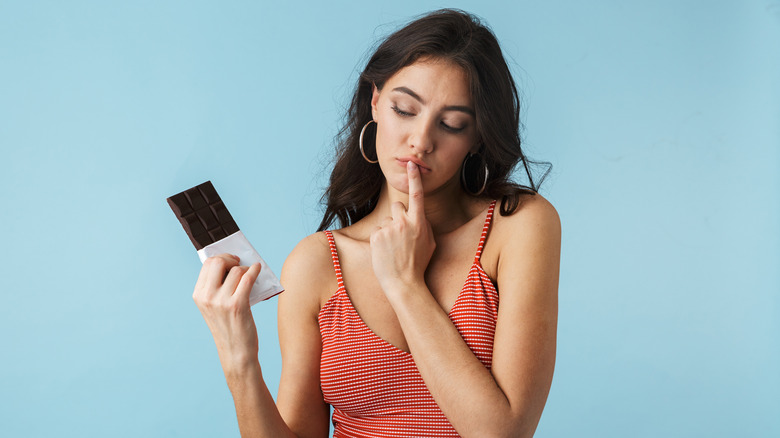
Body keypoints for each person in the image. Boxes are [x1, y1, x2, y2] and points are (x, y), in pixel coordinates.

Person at [192, 9, 561, 438]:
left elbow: (505, 433)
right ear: (375, 102)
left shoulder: (517, 226)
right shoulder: (317, 264)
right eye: (404, 109)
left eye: (451, 124)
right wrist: (239, 358)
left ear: (477, 136)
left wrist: (405, 284)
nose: (421, 141)